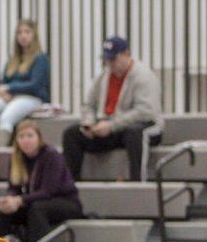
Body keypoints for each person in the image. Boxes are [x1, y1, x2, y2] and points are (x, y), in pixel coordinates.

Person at [62, 36, 163, 181]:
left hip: (146, 126)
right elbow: (88, 104)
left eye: (113, 59)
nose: (110, 63)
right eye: (107, 60)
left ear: (126, 55)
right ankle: (72, 184)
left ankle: (138, 183)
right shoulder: (103, 77)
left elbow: (145, 111)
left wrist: (112, 125)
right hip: (113, 126)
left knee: (134, 133)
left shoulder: (143, 76)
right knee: (72, 134)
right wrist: (89, 123)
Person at [0, 119, 82, 242]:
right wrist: (10, 199)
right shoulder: (17, 158)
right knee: (5, 210)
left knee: (37, 208)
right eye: (21, 137)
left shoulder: (52, 156)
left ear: (39, 138)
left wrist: (20, 200)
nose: (26, 140)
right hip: (33, 201)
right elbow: (13, 187)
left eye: (30, 136)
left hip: (65, 202)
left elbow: (48, 191)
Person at [0, 20, 50, 145]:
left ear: (34, 35)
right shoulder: (13, 59)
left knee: (6, 117)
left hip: (31, 98)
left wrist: (10, 88)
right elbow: (3, 81)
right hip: (11, 97)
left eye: (27, 32)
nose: (23, 36)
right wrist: (3, 93)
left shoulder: (40, 58)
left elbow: (35, 85)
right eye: (19, 32)